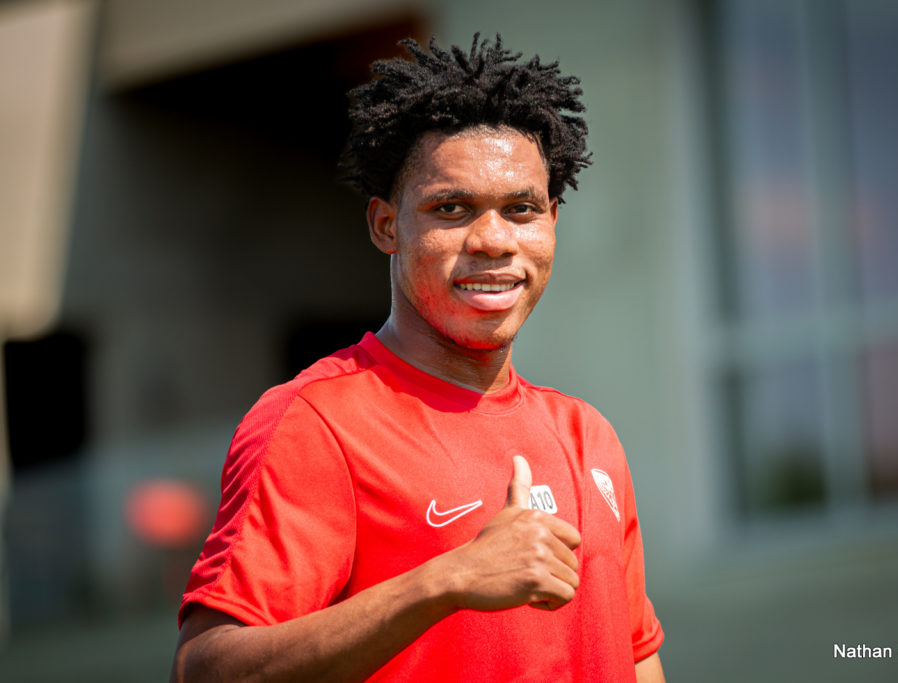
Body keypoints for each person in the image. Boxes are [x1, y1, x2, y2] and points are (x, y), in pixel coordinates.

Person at [170, 34, 665, 682]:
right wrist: (446, 580)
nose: (493, 240)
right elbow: (204, 671)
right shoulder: (317, 423)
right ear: (386, 225)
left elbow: (636, 657)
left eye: (521, 209)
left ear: (551, 223)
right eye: (451, 208)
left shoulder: (589, 436)